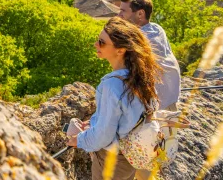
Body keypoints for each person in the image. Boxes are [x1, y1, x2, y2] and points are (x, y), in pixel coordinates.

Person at [67, 17, 162, 180]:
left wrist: (77, 140)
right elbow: (128, 116)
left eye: (102, 42)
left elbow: (103, 136)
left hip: (113, 160)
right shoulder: (140, 76)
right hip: (131, 155)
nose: (96, 45)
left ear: (121, 50)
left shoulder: (111, 85)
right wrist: (94, 122)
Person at [118, 0, 180, 111]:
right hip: (167, 101)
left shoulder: (142, 38)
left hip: (158, 108)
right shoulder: (156, 28)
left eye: (123, 11)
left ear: (140, 13)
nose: (119, 15)